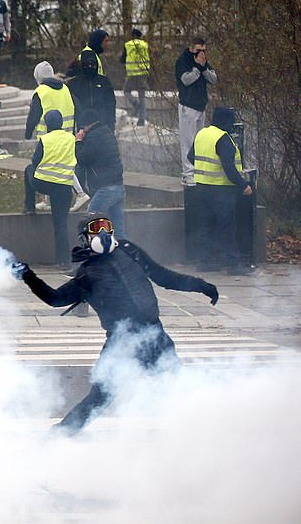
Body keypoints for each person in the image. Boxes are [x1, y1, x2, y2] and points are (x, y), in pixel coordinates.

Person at [13, 212, 219, 434]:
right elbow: (55, 299)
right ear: (84, 238)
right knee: (102, 393)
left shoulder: (129, 250)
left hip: (153, 333)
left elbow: (163, 276)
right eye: (96, 228)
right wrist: (28, 276)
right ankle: (64, 431)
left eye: (106, 227)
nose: (103, 232)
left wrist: (200, 285)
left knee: (172, 382)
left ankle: (200, 424)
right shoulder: (87, 274)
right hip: (122, 342)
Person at [188, 106, 251, 274]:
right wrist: (243, 185)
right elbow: (229, 168)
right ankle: (233, 264)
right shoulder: (223, 138)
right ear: (227, 121)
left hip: (201, 187)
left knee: (206, 225)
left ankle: (204, 262)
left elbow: (190, 156)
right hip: (221, 190)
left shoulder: (202, 134)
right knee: (227, 226)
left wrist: (204, 171)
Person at [23, 110, 75, 267]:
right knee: (60, 223)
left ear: (47, 124)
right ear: (61, 123)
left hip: (44, 183)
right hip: (64, 187)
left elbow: (35, 160)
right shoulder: (71, 138)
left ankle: (29, 206)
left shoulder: (44, 139)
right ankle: (64, 260)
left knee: (28, 169)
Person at [74, 108, 127, 238]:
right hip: (118, 186)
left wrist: (79, 142)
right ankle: (125, 254)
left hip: (105, 188)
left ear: (87, 125)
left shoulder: (93, 137)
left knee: (90, 222)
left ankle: (96, 253)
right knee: (118, 230)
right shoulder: (106, 132)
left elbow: (82, 159)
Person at [175, 36, 217, 186]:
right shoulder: (183, 61)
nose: (202, 54)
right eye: (199, 50)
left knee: (198, 142)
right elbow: (186, 80)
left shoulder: (203, 62)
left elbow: (213, 79)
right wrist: (198, 67)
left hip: (201, 105)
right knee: (188, 141)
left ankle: (197, 171)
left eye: (204, 51)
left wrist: (204, 67)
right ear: (191, 48)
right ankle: (188, 174)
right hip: (188, 106)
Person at [24, 61, 75, 140]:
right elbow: (77, 108)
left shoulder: (41, 92)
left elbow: (33, 116)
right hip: (67, 137)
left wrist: (28, 133)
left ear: (38, 77)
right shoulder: (65, 89)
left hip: (47, 138)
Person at [66, 51, 116, 131]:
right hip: (82, 127)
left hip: (102, 124)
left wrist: (111, 123)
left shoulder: (104, 81)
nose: (90, 66)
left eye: (92, 64)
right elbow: (71, 106)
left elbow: (111, 103)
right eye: (87, 64)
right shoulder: (74, 83)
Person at [120, 28, 150, 126]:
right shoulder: (145, 45)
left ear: (132, 36)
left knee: (126, 91)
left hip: (131, 74)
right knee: (142, 97)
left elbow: (122, 59)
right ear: (140, 36)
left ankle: (135, 103)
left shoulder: (128, 45)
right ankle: (141, 120)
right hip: (143, 74)